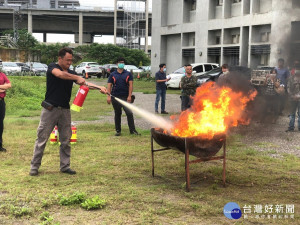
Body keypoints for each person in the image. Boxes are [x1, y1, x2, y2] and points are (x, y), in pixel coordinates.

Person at [29, 47, 107, 176]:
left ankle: (65, 166)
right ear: (60, 58)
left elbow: (83, 83)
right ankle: (34, 167)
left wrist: (99, 87)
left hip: (65, 110)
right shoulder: (52, 67)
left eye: (71, 60)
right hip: (50, 109)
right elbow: (60, 75)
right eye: (67, 60)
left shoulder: (71, 73)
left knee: (66, 139)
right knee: (42, 139)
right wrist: (76, 77)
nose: (69, 62)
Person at [107, 57, 139, 136]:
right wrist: (108, 96)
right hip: (115, 97)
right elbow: (109, 86)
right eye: (120, 62)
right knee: (117, 114)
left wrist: (129, 96)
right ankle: (118, 131)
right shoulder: (112, 74)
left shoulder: (128, 74)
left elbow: (131, 85)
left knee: (129, 113)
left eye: (123, 62)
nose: (122, 64)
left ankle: (132, 130)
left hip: (125, 97)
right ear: (117, 64)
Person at [0, 67, 12, 152]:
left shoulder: (2, 74)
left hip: (1, 101)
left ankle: (0, 145)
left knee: (0, 123)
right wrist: (2, 88)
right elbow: (5, 86)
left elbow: (9, 85)